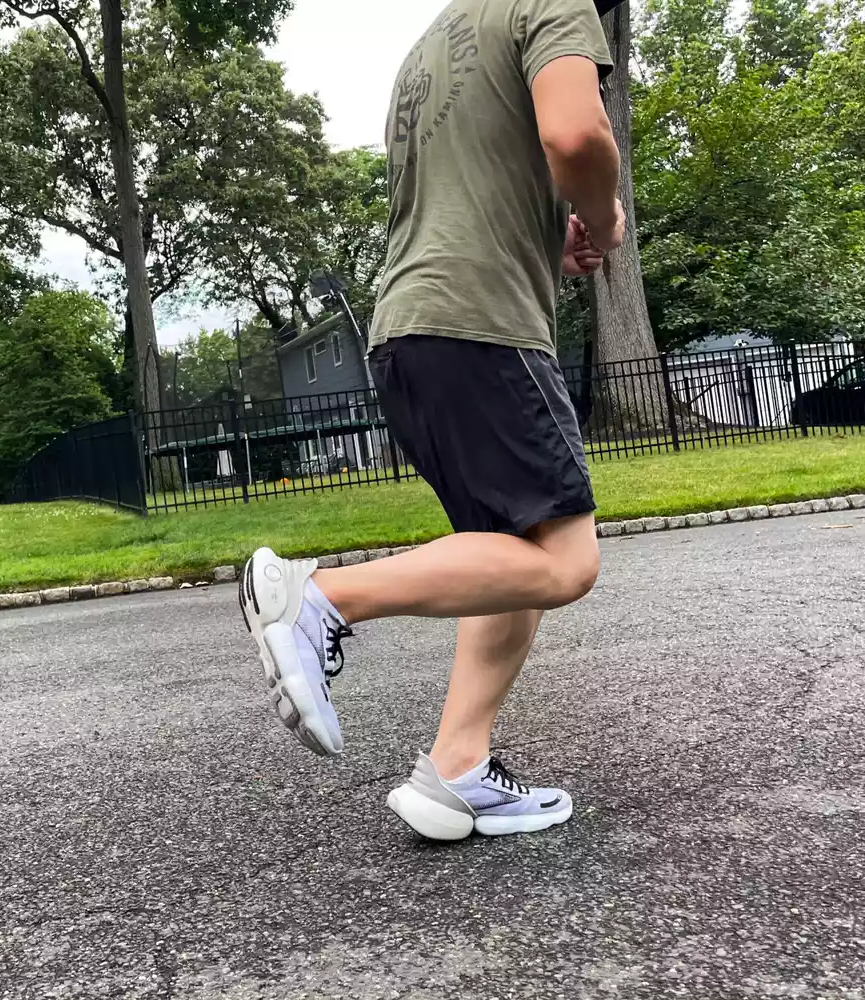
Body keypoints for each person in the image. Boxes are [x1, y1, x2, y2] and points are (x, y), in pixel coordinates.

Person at [239, 0, 626, 841]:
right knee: (565, 562)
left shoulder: (430, 46)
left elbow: (470, 191)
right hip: (482, 325)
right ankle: (318, 600)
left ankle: (457, 770)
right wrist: (603, 218)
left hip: (409, 328)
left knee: (510, 554)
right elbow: (576, 138)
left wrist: (552, 243)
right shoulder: (550, 4)